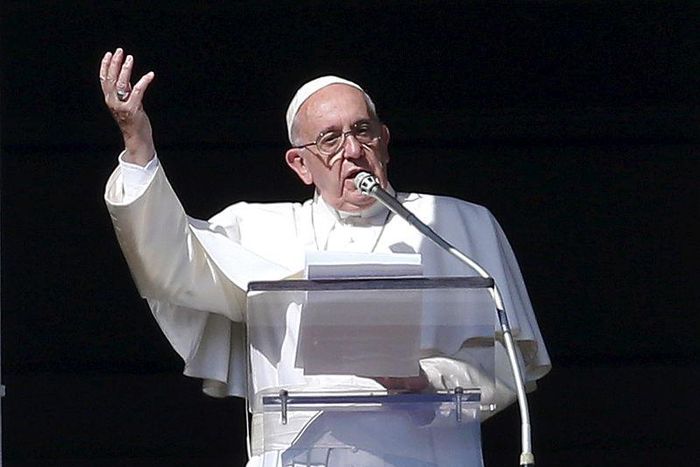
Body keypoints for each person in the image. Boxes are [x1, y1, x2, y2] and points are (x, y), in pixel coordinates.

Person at [101, 48, 550, 466]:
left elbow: (509, 362)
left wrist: (428, 380)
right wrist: (138, 146)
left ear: (385, 140)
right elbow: (169, 260)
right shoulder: (258, 231)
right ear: (300, 164)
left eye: (361, 131)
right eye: (330, 139)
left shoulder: (458, 226)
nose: (352, 150)